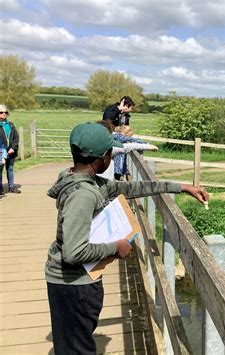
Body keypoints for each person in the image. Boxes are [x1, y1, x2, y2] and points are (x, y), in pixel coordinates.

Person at [45, 122, 208, 354]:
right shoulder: (82, 194)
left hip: (76, 282)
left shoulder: (88, 183)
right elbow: (73, 252)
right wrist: (115, 247)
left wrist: (180, 187)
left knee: (74, 343)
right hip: (74, 286)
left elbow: (132, 187)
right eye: (110, 152)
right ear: (103, 158)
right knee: (76, 349)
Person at [0, 104, 21, 194]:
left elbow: (16, 137)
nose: (4, 114)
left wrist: (13, 148)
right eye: (1, 112)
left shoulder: (11, 125)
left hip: (11, 151)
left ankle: (11, 187)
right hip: (1, 151)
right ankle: (0, 189)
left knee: (10, 169)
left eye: (6, 112)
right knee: (0, 170)